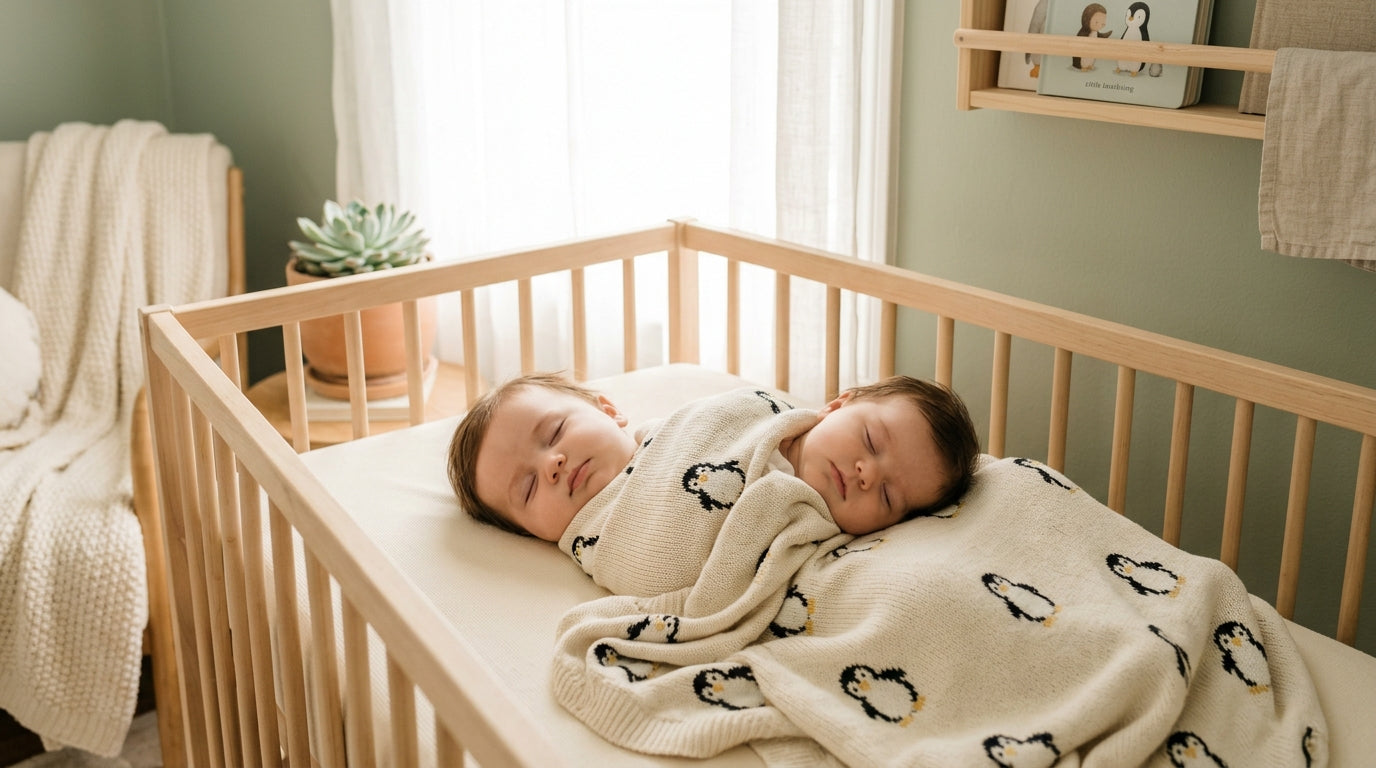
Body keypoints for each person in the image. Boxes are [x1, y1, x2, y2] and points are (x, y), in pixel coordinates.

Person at [447, 371, 980, 545]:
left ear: (608, 409)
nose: (553, 464)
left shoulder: (736, 415)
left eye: (888, 495)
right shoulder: (609, 535)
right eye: (527, 489)